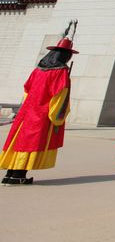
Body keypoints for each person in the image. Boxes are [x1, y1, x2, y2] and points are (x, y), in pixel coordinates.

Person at [1, 26, 77, 186]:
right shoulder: (60, 71)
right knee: (29, 143)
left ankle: (9, 174)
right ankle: (18, 175)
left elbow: (27, 89)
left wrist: (26, 106)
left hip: (26, 111)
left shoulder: (38, 69)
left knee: (18, 140)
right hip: (41, 113)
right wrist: (58, 116)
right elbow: (60, 96)